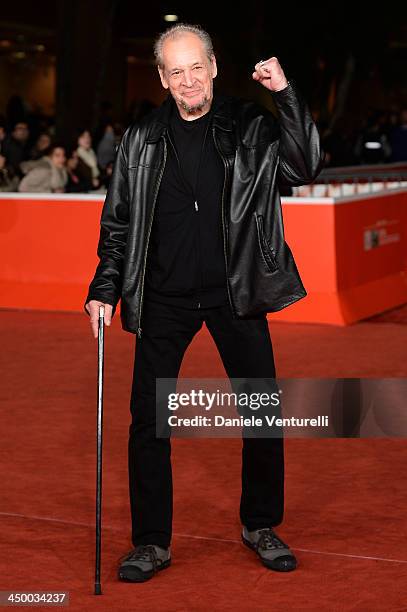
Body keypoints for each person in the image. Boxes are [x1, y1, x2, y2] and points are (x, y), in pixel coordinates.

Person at [85, 23, 323, 582]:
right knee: (149, 423)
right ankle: (150, 542)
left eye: (198, 67)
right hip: (163, 299)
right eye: (177, 71)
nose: (190, 80)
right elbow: (118, 224)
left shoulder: (250, 126)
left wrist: (284, 93)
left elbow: (305, 165)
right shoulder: (140, 139)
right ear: (163, 80)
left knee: (261, 415)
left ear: (214, 67)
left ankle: (260, 524)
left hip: (235, 295)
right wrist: (104, 288)